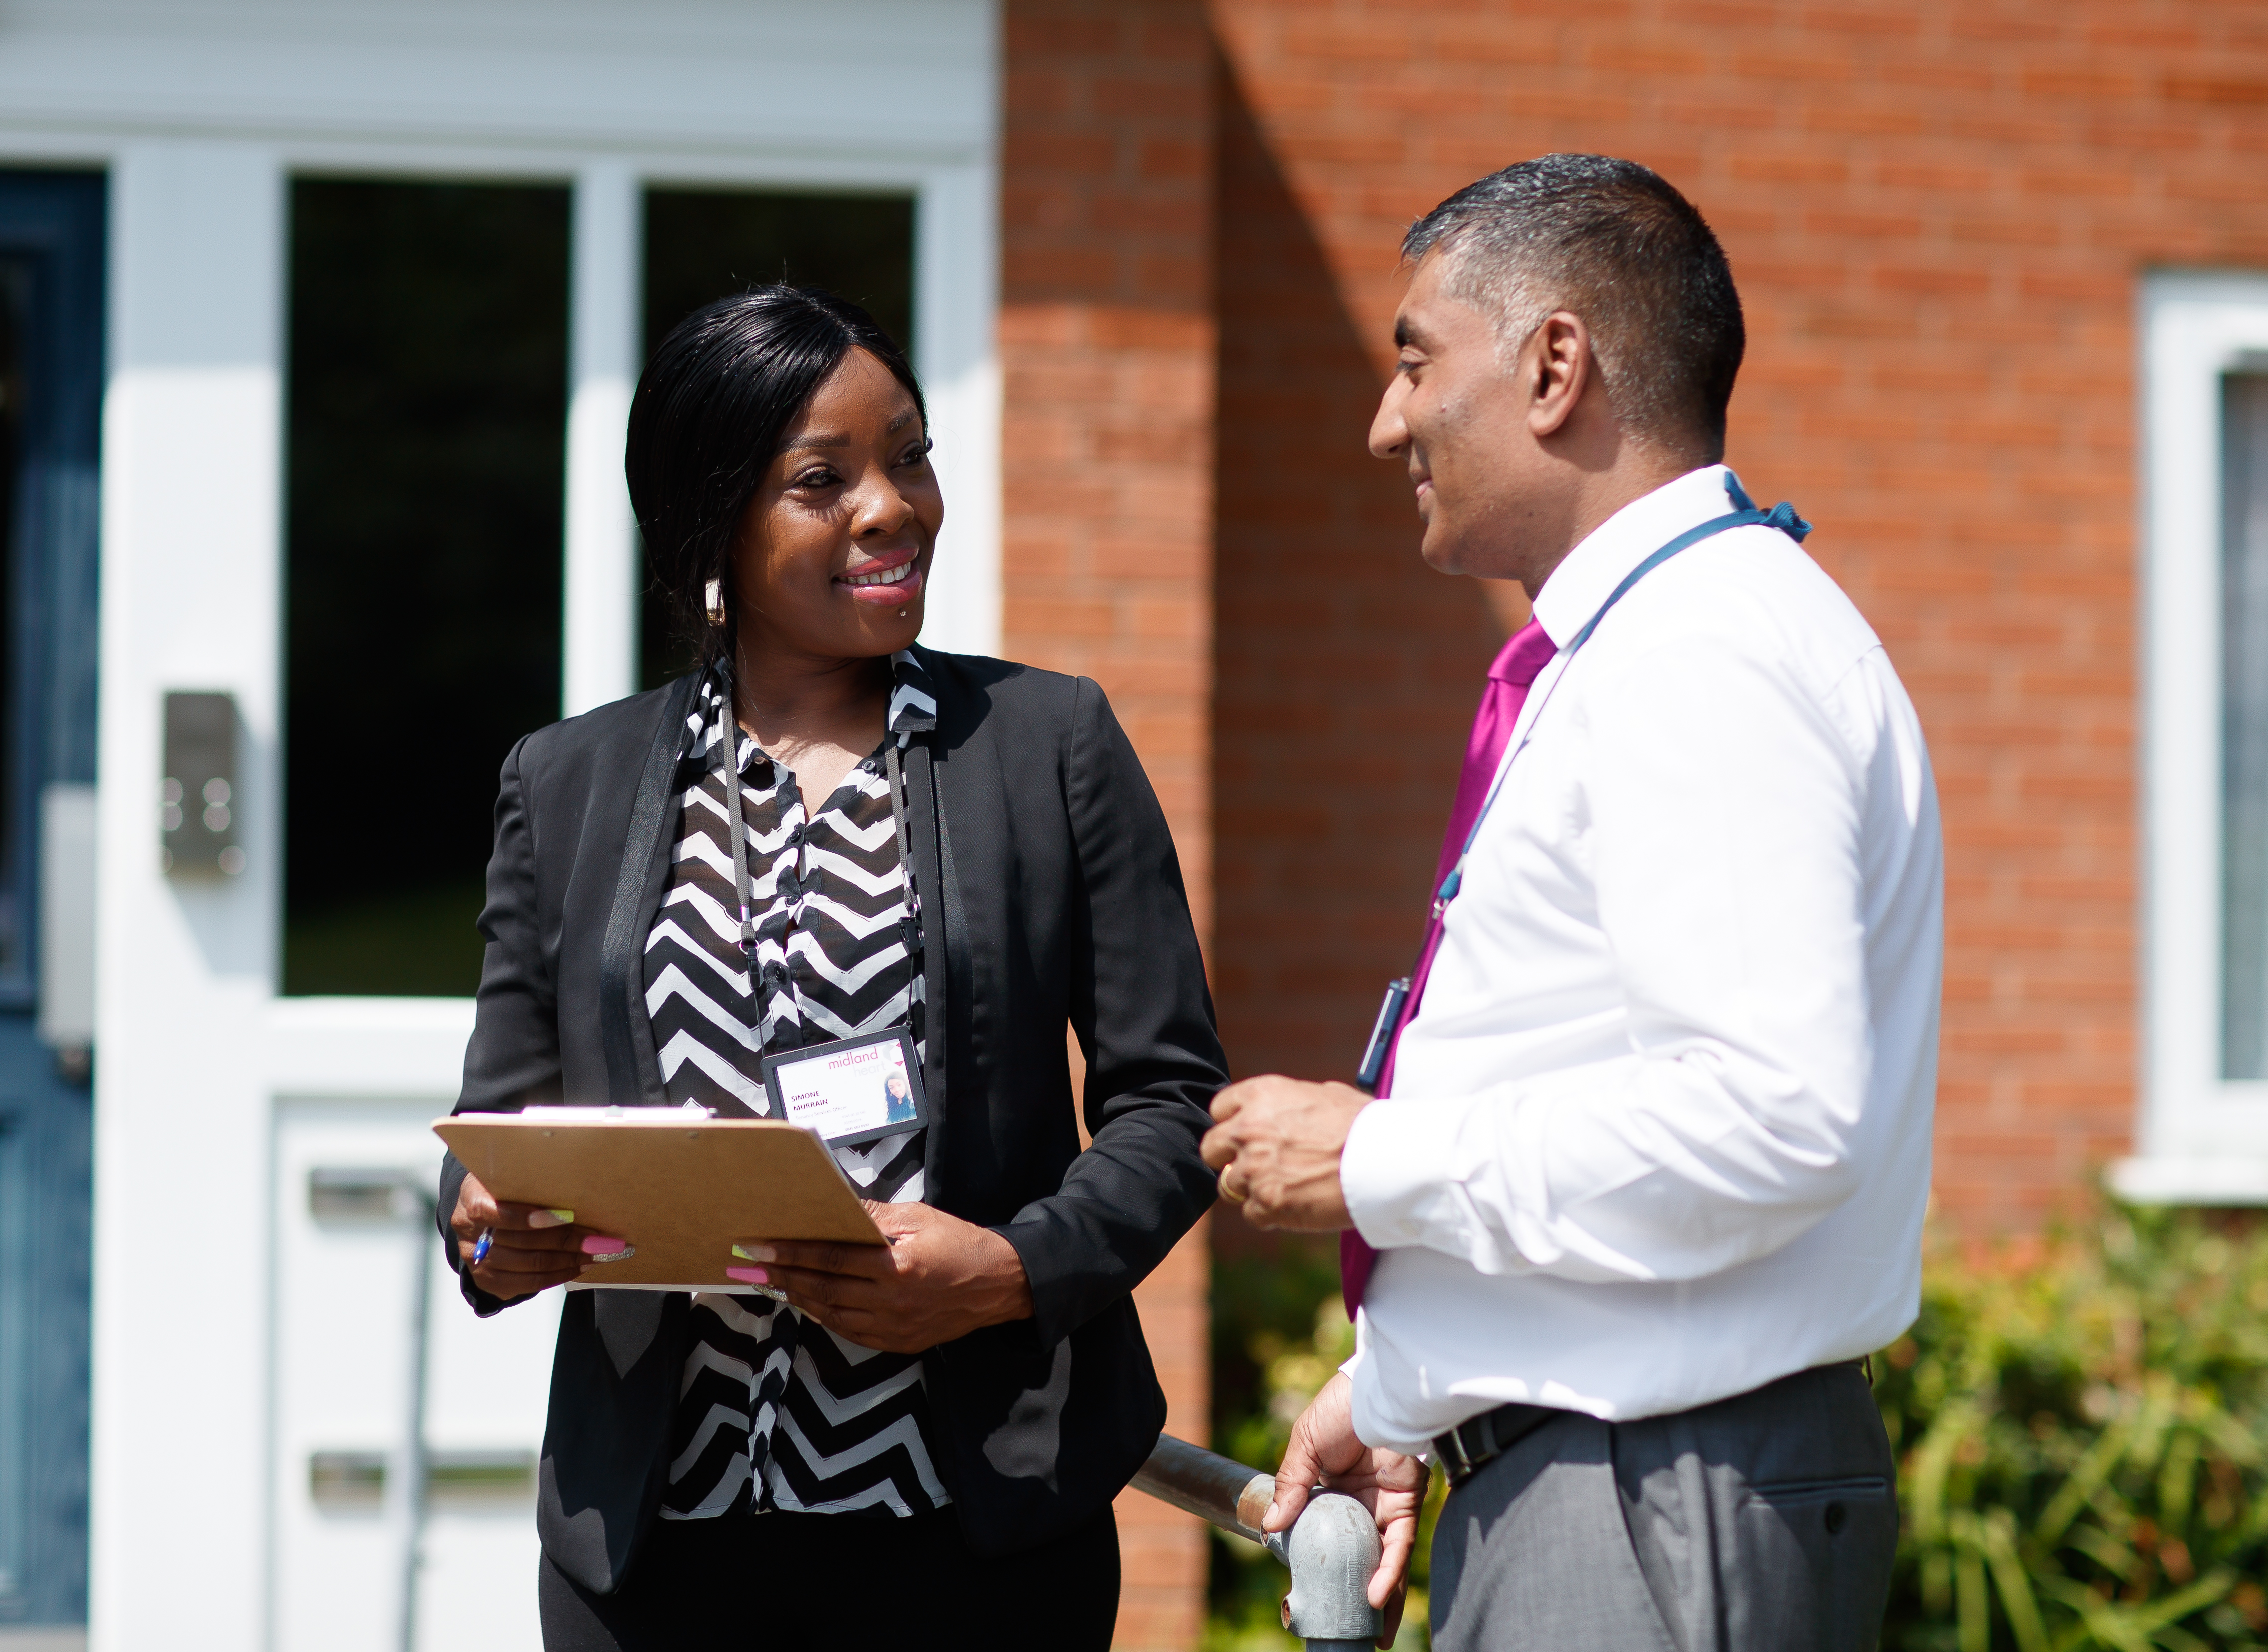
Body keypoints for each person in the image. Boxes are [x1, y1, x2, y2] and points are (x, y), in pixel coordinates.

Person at [1202, 154, 1942, 1651]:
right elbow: (1595, 1074)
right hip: (1618, 1489)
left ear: (1556, 366)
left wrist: (1375, 1158)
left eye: (1416, 360)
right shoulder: (1659, 645)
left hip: (1652, 1503)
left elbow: (1769, 1117)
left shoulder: (1701, 654)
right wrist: (1412, 1389)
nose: (1386, 419)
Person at [436, 285, 1225, 1650]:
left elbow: (1174, 1107)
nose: (891, 506)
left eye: (910, 456)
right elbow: (498, 1131)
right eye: (824, 478)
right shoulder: (568, 784)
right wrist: (492, 1229)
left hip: (972, 1537)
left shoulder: (1047, 746)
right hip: (657, 1549)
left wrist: (1011, 1267)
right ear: (713, 527)